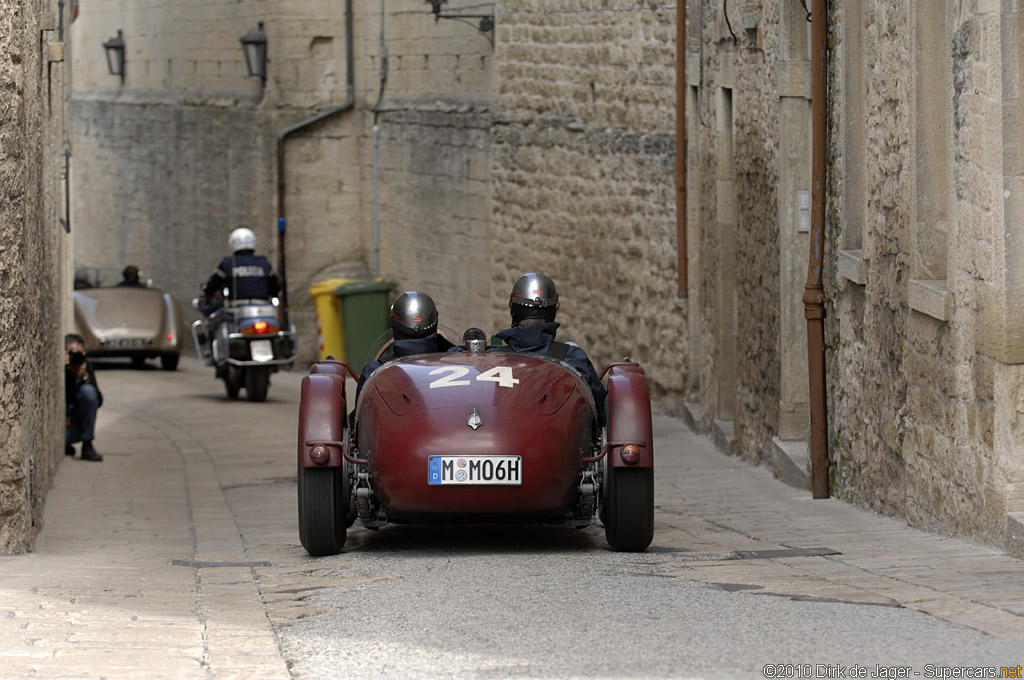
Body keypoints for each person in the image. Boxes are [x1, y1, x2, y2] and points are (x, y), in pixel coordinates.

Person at [492, 272, 607, 420]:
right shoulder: (572, 357)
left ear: (514, 309)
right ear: (553, 310)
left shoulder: (493, 358)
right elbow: (600, 408)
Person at [354, 291, 454, 405]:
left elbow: (357, 417)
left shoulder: (373, 371)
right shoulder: (458, 360)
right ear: (435, 322)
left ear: (395, 324)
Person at [203, 227, 280, 303]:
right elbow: (276, 288)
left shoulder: (228, 264)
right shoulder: (264, 263)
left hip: (237, 310)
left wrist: (207, 292)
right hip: (263, 310)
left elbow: (212, 287)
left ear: (232, 243)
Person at [64, 333, 103, 462]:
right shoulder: (60, 367)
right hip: (61, 427)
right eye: (72, 352)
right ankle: (65, 445)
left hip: (78, 425)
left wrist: (85, 377)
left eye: (79, 353)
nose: (76, 356)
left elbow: (98, 400)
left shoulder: (85, 366)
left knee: (88, 391)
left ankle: (87, 444)